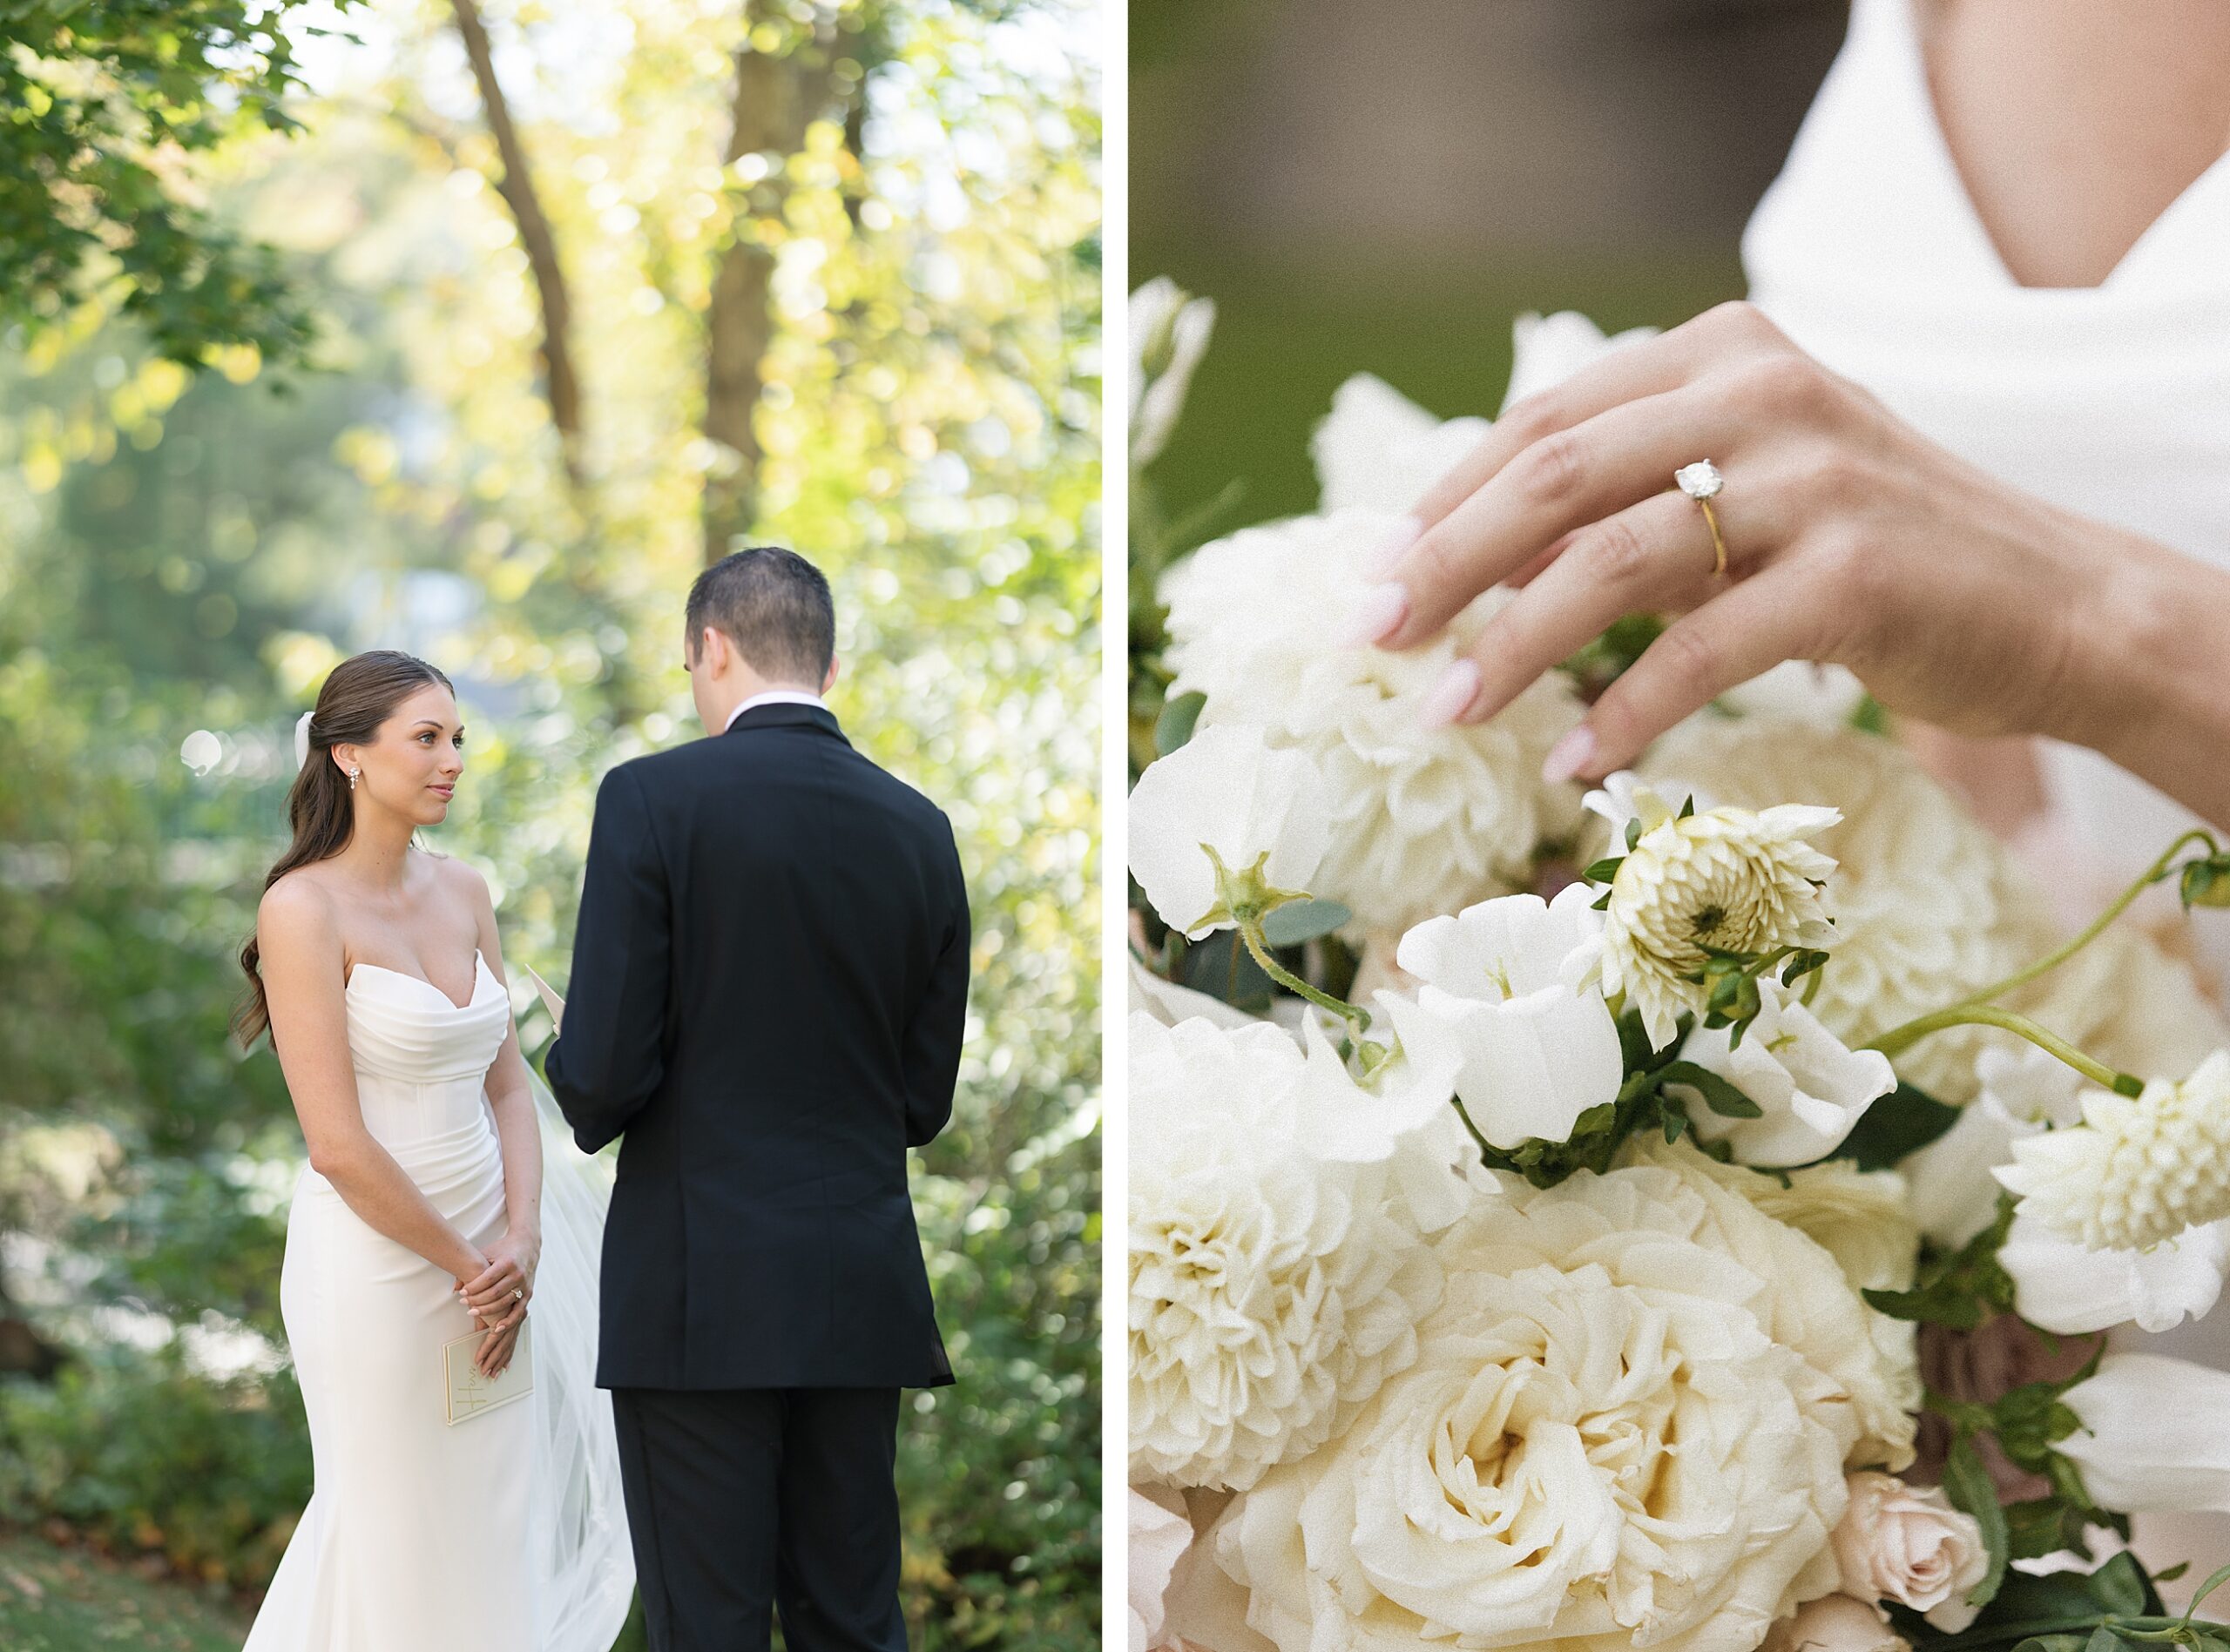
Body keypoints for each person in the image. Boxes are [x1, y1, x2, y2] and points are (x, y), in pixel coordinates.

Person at [545, 545, 971, 1652]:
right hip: (857, 1285)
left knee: (710, 1629)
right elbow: (922, 1100)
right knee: (852, 1622)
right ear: (826, 663)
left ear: (712, 646)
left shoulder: (650, 799)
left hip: (697, 1295)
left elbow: (599, 1081)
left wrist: (564, 1041)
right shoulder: (920, 828)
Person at [238, 649, 633, 1652]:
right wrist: (470, 1270)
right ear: (349, 756)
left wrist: (524, 1238)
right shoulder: (300, 908)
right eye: (426, 737)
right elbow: (335, 1144)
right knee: (390, 1525)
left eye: (457, 736)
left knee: (489, 1517)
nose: (452, 758)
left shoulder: (465, 891)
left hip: (496, 1253)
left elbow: (509, 1082)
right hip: (378, 1263)